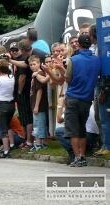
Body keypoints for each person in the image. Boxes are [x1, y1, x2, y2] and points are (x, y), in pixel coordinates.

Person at [64, 34, 100, 167]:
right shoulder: (96, 60)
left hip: (73, 96)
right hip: (87, 98)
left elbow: (67, 78)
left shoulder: (74, 59)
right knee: (82, 128)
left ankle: (77, 157)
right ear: (90, 44)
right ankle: (83, 156)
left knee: (73, 129)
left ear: (78, 44)